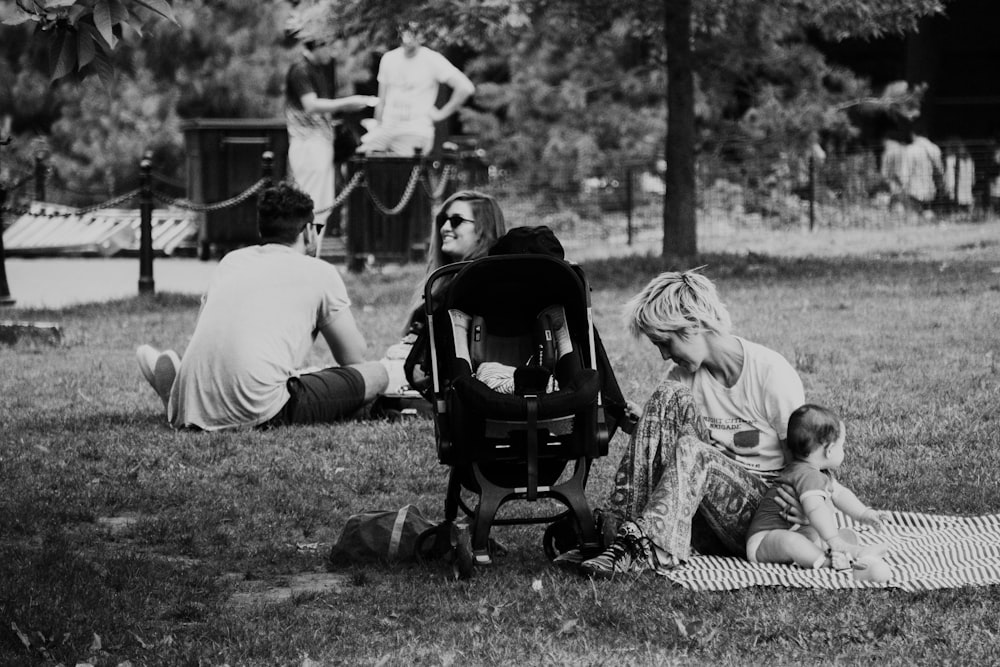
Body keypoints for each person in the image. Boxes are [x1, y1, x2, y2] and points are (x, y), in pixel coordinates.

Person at [572, 268, 806, 578]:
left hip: (761, 522)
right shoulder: (683, 378)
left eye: (665, 343)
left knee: (697, 452)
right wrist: (648, 426)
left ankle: (643, 546)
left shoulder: (770, 372)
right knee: (666, 398)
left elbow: (806, 459)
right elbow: (681, 451)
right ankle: (619, 534)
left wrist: (807, 510)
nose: (664, 356)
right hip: (701, 516)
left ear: (692, 325)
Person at [136, 182, 388, 430]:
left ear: (262, 232)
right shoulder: (320, 272)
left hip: (197, 404)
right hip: (262, 408)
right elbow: (353, 357)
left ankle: (181, 395)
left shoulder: (230, 262)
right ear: (309, 232)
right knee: (377, 374)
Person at [379, 190, 506, 397]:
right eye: (442, 220)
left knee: (361, 378)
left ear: (484, 229)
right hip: (405, 367)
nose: (445, 228)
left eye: (456, 221)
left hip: (425, 376)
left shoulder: (483, 284)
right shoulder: (442, 279)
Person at [745, 404, 893, 581]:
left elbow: (840, 494)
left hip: (800, 533)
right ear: (829, 450)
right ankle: (831, 562)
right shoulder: (806, 475)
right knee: (792, 541)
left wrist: (864, 513)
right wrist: (833, 539)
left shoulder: (819, 474)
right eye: (842, 446)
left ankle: (851, 554)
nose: (843, 450)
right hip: (764, 542)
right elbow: (815, 509)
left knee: (837, 535)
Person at [285, 33, 377, 226]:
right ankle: (305, 251)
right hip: (307, 143)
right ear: (317, 45)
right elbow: (310, 105)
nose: (333, 52)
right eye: (329, 46)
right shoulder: (301, 70)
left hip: (321, 142)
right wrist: (347, 103)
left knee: (322, 203)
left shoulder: (318, 70)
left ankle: (313, 252)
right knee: (311, 201)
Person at [356, 20, 475, 157]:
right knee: (360, 157)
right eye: (404, 32)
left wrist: (441, 114)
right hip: (387, 128)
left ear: (422, 36)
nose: (407, 38)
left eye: (413, 33)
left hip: (415, 129)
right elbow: (382, 101)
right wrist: (377, 126)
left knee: (404, 169)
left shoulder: (432, 59)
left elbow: (466, 87)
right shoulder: (389, 59)